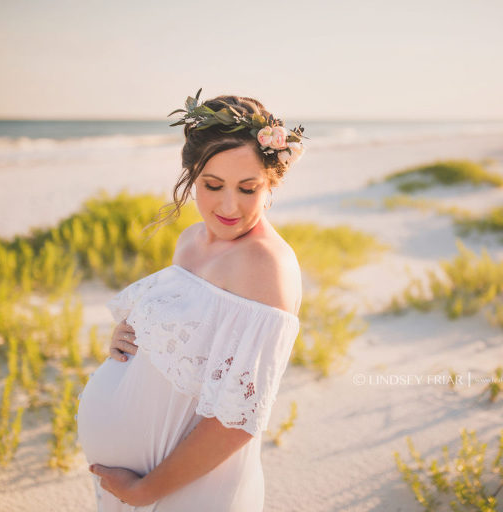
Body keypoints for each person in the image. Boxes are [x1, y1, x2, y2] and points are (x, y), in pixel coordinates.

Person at [76, 90, 307, 511]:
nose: (228, 205)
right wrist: (132, 336)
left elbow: (238, 419)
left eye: (248, 188)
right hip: (141, 484)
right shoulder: (189, 243)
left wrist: (146, 491)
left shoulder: (265, 264)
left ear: (272, 183)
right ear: (191, 175)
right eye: (212, 185)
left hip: (184, 488)